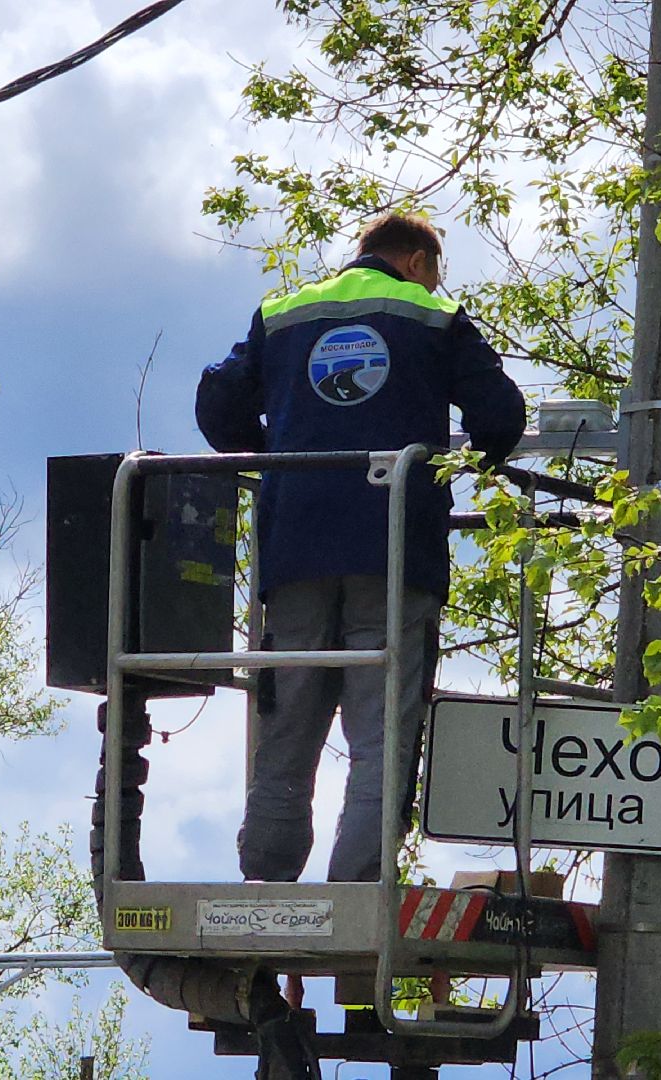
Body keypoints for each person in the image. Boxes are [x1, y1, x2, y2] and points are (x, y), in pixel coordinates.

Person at [196, 212, 525, 883]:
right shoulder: (435, 314)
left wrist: (280, 456)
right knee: (382, 729)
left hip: (294, 545)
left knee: (287, 719)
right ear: (414, 261)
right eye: (436, 270)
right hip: (394, 547)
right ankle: (357, 885)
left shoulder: (284, 311)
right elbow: (500, 419)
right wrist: (461, 466)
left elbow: (218, 402)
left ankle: (264, 875)